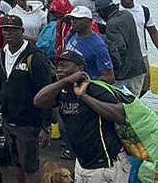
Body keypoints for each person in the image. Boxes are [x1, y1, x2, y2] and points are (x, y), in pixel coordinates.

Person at [33, 50, 129, 181]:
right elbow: (38, 101)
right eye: (58, 66)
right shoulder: (63, 90)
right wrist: (65, 81)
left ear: (80, 68)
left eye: (64, 65)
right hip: (82, 163)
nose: (59, 69)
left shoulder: (95, 88)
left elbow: (119, 115)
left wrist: (83, 96)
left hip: (105, 164)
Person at [0, 15, 54, 183]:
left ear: (22, 32)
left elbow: (47, 93)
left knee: (30, 166)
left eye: (13, 30)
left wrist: (46, 127)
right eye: (5, 30)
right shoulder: (0, 55)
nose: (8, 34)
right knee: (15, 163)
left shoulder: (35, 58)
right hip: (8, 120)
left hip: (29, 123)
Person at [96, 0, 145, 95]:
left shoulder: (111, 24)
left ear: (104, 11)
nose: (99, 15)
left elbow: (120, 48)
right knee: (135, 102)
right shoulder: (127, 14)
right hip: (138, 68)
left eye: (99, 12)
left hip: (125, 73)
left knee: (124, 106)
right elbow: (124, 31)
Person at [118, 0, 158, 95]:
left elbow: (153, 32)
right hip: (123, 54)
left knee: (147, 80)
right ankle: (124, 104)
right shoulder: (115, 11)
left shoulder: (144, 10)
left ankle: (135, 102)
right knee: (124, 82)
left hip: (141, 53)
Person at [64, 6, 115, 84]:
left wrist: (87, 83)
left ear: (89, 21)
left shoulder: (97, 45)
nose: (73, 21)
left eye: (78, 18)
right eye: (72, 18)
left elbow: (109, 77)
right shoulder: (73, 34)